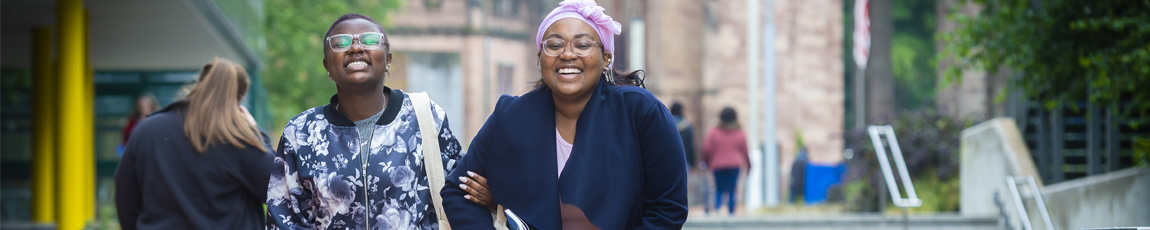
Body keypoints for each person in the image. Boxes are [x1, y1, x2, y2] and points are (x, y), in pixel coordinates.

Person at [440, 0, 689, 228]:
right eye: (554, 45)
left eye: (582, 45)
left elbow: (668, 209)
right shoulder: (511, 115)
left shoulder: (642, 112)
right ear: (540, 58)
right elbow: (456, 191)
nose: (567, 54)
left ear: (606, 59)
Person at [265, 14, 465, 230]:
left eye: (370, 40)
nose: (355, 48)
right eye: (340, 43)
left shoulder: (425, 116)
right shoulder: (301, 133)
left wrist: (488, 192)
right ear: (327, 66)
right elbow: (283, 219)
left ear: (388, 59)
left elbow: (462, 189)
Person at [114, 58, 273, 230]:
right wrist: (254, 131)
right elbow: (278, 188)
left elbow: (125, 193)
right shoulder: (238, 138)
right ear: (237, 102)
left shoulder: (147, 129)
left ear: (198, 86)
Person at [702, 107, 750, 215]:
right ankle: (731, 213)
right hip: (734, 165)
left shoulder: (714, 131)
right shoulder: (740, 132)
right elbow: (745, 150)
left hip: (717, 165)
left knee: (718, 190)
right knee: (732, 190)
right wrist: (749, 165)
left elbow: (707, 149)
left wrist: (706, 162)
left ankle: (717, 211)